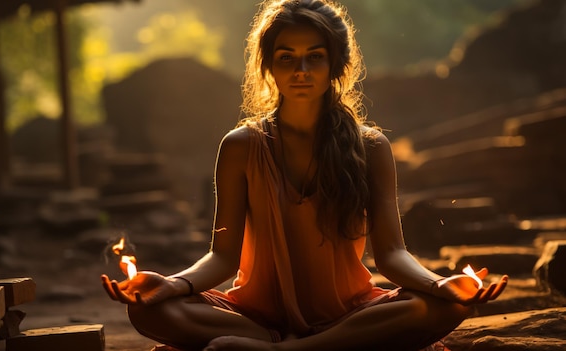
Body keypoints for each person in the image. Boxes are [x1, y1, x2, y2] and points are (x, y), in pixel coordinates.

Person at [101, 0, 508, 350]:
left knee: (447, 305)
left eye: (314, 56)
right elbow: (223, 257)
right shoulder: (241, 146)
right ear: (268, 67)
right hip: (252, 316)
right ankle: (303, 345)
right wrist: (174, 284)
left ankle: (289, 350)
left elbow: (392, 254)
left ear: (336, 64)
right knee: (149, 311)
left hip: (350, 312)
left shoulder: (371, 147)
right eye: (286, 57)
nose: (301, 69)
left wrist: (439, 284)